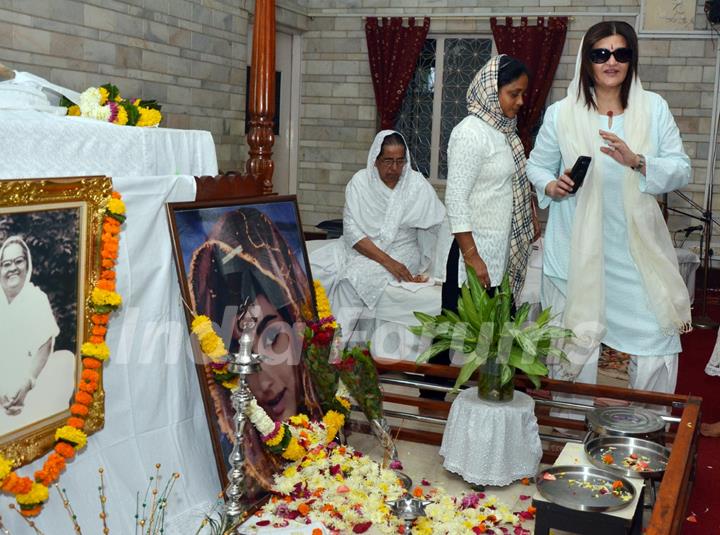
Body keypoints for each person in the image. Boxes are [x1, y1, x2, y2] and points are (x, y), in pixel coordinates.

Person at [526, 21, 691, 405]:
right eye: (601, 54)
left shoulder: (653, 108)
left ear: (632, 60)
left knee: (656, 339)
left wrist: (638, 161)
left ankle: (650, 431)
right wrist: (552, 185)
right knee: (575, 345)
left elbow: (681, 168)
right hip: (576, 251)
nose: (611, 62)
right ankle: (568, 433)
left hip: (637, 252)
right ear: (587, 61)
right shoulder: (561, 113)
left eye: (621, 53)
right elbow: (537, 166)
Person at [420, 55, 536, 400]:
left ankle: (492, 393)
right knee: (453, 329)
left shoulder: (504, 132)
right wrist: (472, 256)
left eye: (522, 94)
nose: (519, 102)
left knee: (496, 328)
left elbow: (510, 186)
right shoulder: (470, 133)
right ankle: (431, 397)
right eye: (513, 93)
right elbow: (455, 200)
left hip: (499, 248)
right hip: (473, 251)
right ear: (491, 90)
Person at [188, 207, 322, 496]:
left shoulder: (324, 429)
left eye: (274, 338)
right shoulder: (242, 469)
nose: (264, 383)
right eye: (238, 352)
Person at [318, 130, 447, 345]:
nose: (394, 169)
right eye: (388, 161)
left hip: (404, 249)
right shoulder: (359, 183)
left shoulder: (416, 184)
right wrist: (389, 263)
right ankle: (335, 347)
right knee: (315, 267)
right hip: (367, 248)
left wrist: (437, 269)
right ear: (375, 160)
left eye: (400, 161)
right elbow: (352, 233)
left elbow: (440, 222)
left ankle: (336, 351)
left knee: (352, 278)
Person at [0, 236, 75, 434]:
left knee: (66, 360)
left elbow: (45, 345)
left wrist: (26, 384)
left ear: (27, 263)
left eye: (19, 261)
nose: (13, 268)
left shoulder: (36, 298)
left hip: (30, 376)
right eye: (6, 264)